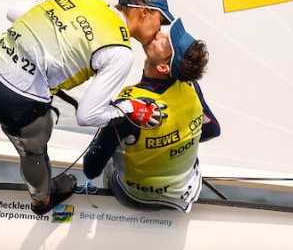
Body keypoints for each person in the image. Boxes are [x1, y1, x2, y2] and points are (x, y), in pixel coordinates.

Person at [0, 0, 176, 216]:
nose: (161, 28)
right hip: (17, 100)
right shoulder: (121, 52)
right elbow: (87, 115)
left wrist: (41, 3)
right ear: (144, 11)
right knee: (34, 146)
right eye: (161, 19)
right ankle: (42, 199)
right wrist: (131, 109)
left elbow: (14, 12)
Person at [83, 19, 219, 214]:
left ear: (164, 67)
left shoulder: (128, 106)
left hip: (135, 197)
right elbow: (212, 130)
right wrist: (174, 142)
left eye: (165, 42)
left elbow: (91, 168)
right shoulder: (191, 87)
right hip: (185, 192)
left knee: (112, 154)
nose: (159, 34)